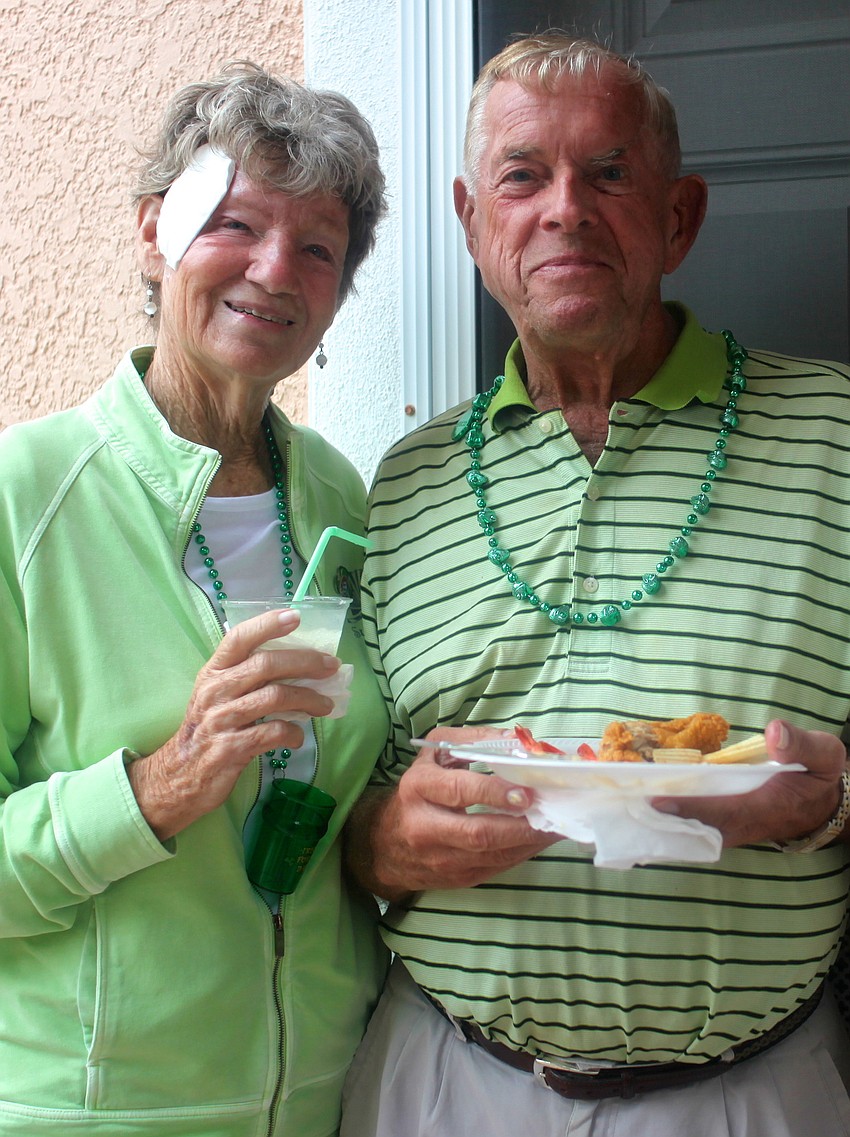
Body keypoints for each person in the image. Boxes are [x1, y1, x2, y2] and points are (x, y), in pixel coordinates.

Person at [340, 33, 850, 1137]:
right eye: (523, 176)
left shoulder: (834, 436)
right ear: (475, 224)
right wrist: (386, 843)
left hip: (752, 1094)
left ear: (679, 217)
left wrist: (834, 797)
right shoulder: (406, 483)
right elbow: (360, 807)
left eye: (609, 173)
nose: (564, 208)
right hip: (442, 1083)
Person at [0, 62, 389, 1137]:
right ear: (152, 235)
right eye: (236, 224)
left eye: (318, 247)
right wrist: (159, 787)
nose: (275, 268)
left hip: (323, 1102)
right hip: (95, 1114)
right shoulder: (22, 495)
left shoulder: (341, 497)